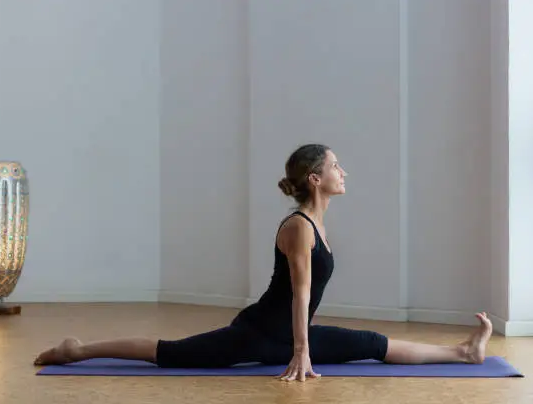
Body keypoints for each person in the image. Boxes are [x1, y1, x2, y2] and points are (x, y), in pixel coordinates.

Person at [34, 143, 493, 382]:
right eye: (336, 166)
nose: (343, 172)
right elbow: (301, 294)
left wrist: (303, 345)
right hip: (258, 333)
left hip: (290, 335)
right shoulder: (298, 227)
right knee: (173, 354)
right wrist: (301, 351)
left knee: (372, 341)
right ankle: (77, 349)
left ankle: (464, 353)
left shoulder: (318, 224)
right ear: (316, 179)